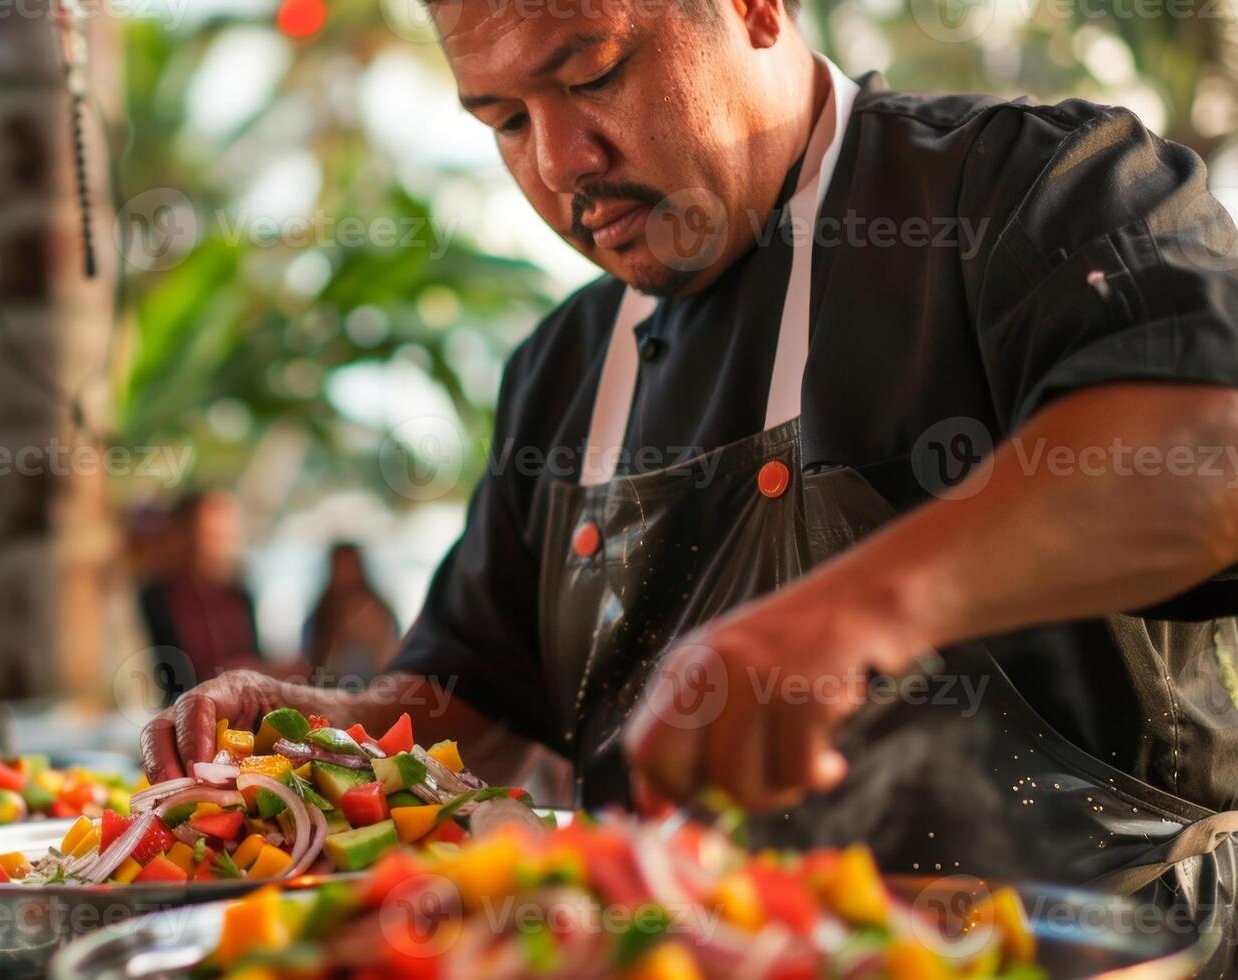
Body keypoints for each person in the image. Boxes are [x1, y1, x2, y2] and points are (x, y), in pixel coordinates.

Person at [144, 0, 1238, 959]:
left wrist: (854, 612)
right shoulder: (564, 368)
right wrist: (325, 737)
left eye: (591, 74)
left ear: (756, 7)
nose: (561, 159)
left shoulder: (1024, 190)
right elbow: (470, 694)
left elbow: (1208, 455)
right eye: (506, 122)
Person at [137, 491, 263, 692]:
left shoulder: (239, 597)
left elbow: (257, 659)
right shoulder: (153, 600)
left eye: (225, 536)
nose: (216, 547)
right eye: (207, 536)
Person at [302, 542, 401, 686]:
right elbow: (311, 670)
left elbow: (392, 667)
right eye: (340, 566)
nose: (346, 573)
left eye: (349, 565)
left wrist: (373, 639)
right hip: (331, 695)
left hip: (373, 695)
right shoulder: (319, 617)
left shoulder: (380, 612)